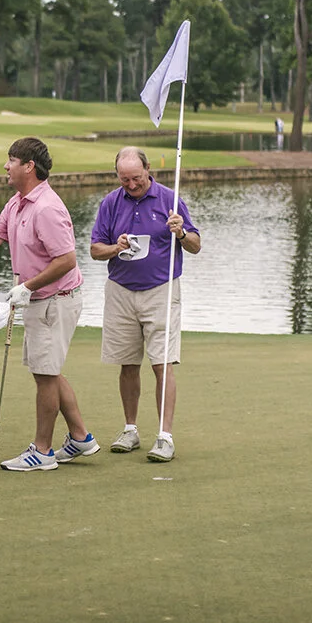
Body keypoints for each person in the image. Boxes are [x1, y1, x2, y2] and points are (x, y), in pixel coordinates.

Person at [0, 137, 100, 472]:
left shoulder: (47, 207)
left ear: (29, 166)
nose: (5, 166)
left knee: (45, 375)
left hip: (56, 300)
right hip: (40, 299)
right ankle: (81, 437)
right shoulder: (17, 203)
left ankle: (42, 452)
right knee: (49, 372)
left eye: (11, 160)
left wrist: (27, 286)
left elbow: (67, 259)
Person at [90, 146, 200, 462]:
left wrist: (180, 233)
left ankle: (164, 437)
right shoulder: (110, 203)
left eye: (136, 178)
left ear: (148, 169)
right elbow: (95, 250)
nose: (132, 185)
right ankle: (130, 429)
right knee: (127, 363)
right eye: (124, 180)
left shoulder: (169, 199)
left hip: (161, 290)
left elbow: (195, 245)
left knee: (162, 363)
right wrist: (115, 247)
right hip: (121, 291)